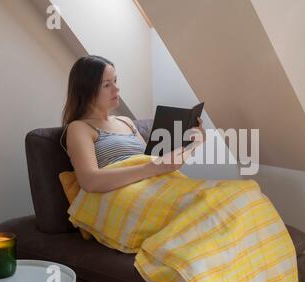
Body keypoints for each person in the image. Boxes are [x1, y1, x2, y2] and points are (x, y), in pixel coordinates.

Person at [60, 55, 205, 193]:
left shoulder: (126, 121)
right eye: (106, 85)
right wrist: (153, 168)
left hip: (153, 186)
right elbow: (90, 181)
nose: (116, 89)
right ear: (86, 90)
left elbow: (160, 164)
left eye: (115, 81)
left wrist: (193, 145)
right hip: (126, 195)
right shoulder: (79, 128)